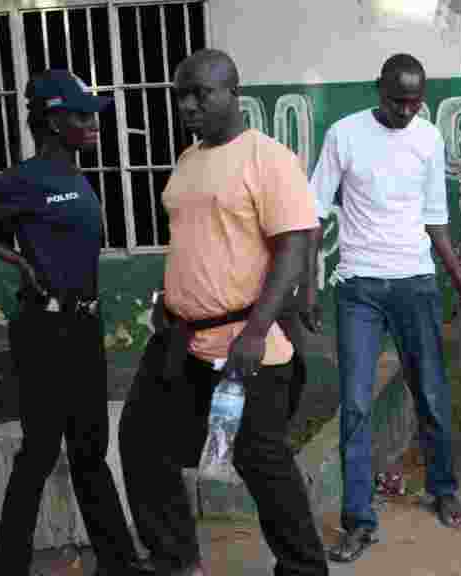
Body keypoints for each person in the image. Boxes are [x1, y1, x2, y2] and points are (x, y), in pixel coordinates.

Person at [117, 49, 328, 576]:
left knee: (262, 462)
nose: (188, 105)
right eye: (180, 95)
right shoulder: (189, 160)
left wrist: (256, 332)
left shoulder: (267, 158)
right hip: (181, 341)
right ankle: (176, 560)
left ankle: (304, 568)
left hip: (243, 345)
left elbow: (293, 248)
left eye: (200, 94)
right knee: (142, 442)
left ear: (233, 93)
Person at [0, 70, 152, 576]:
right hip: (43, 332)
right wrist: (17, 261)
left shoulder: (76, 174)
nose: (93, 123)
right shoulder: (25, 178)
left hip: (84, 328)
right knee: (40, 453)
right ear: (51, 119)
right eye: (81, 115)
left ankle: (119, 564)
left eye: (94, 114)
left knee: (90, 452)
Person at [309, 53, 461, 563]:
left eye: (415, 101)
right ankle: (359, 520)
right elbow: (316, 210)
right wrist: (305, 287)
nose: (407, 110)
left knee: (430, 390)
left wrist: (458, 277)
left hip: (416, 282)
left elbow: (435, 219)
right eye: (397, 100)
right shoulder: (344, 134)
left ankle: (443, 487)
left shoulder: (429, 138)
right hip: (359, 285)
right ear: (376, 89)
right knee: (356, 404)